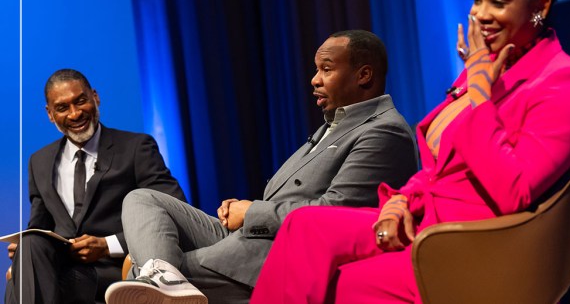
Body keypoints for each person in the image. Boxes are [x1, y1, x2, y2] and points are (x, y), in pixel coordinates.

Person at [249, 0, 570, 303]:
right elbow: (440, 166)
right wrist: (401, 200)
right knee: (303, 227)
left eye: (499, 1)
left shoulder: (564, 82)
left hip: (476, 245)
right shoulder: (486, 69)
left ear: (540, 7)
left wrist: (479, 93)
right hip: (426, 221)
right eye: (477, 0)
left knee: (342, 282)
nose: (480, 14)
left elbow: (515, 190)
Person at [104, 30, 418, 304]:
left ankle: (162, 279)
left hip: (280, 253)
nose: (314, 79)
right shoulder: (334, 125)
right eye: (316, 69)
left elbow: (334, 213)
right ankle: (163, 278)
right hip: (250, 236)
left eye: (326, 69)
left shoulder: (383, 131)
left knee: (136, 276)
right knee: (142, 199)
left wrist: (251, 212)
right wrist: (243, 210)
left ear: (364, 75)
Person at [4, 69, 187, 304]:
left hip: (115, 267)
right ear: (50, 114)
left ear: (95, 97)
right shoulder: (39, 161)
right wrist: (24, 254)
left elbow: (176, 212)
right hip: (61, 266)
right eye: (62, 108)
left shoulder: (136, 148)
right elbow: (39, 226)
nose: (75, 113)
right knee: (28, 248)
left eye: (80, 101)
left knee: (20, 284)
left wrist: (106, 245)